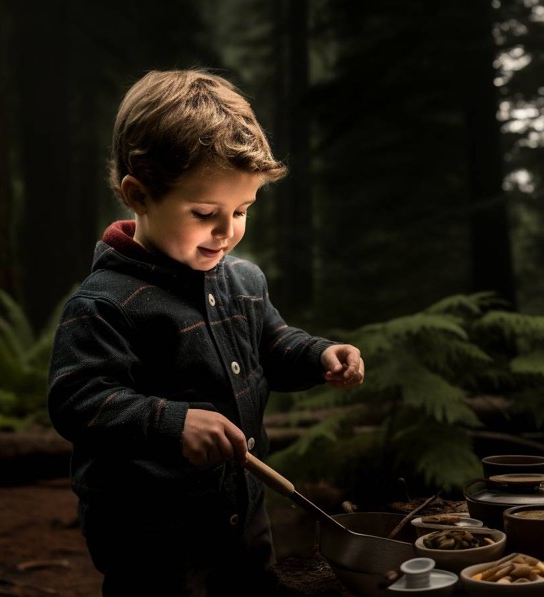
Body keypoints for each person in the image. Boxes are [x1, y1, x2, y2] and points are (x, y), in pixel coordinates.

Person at [47, 69, 365, 596]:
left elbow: (271, 345)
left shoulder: (243, 281)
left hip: (241, 508)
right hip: (149, 530)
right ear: (139, 195)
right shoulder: (104, 302)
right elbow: (77, 399)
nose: (228, 231)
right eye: (205, 213)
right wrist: (172, 423)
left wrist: (320, 354)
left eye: (242, 211)